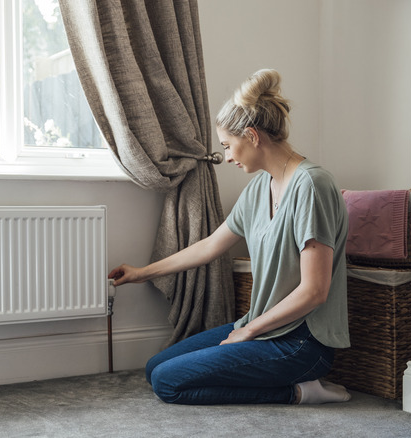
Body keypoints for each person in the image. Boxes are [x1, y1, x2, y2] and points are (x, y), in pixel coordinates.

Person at [108, 69, 352, 405]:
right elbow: (210, 246)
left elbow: (314, 291)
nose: (227, 157)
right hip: (262, 327)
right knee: (155, 368)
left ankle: (300, 391)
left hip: (301, 342)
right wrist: (141, 272)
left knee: (168, 383)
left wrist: (248, 332)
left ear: (251, 136)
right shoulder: (257, 189)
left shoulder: (312, 185)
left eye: (227, 145)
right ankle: (287, 377)